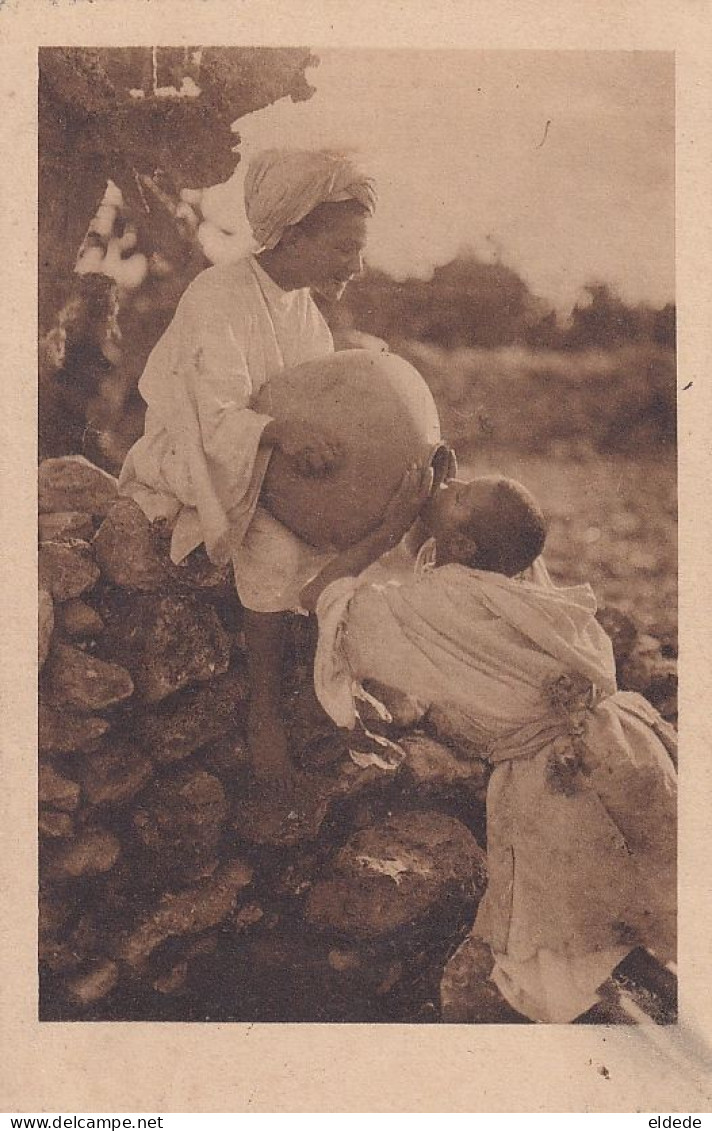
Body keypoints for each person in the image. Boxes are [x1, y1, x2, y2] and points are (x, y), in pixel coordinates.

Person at [299, 469, 677, 1023]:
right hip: (624, 753)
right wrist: (437, 517)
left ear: (459, 545)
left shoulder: (442, 601)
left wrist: (389, 525)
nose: (446, 486)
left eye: (459, 495)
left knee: (574, 956)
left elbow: (324, 598)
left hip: (555, 792)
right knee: (634, 925)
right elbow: (445, 568)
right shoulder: (512, 584)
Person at [118, 148, 377, 785]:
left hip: (259, 450)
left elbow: (320, 401)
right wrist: (281, 433)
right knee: (276, 541)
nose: (357, 265)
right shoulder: (218, 294)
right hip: (194, 450)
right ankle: (265, 711)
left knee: (337, 523)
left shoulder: (305, 314)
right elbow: (211, 415)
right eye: (344, 248)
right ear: (293, 234)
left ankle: (329, 685)